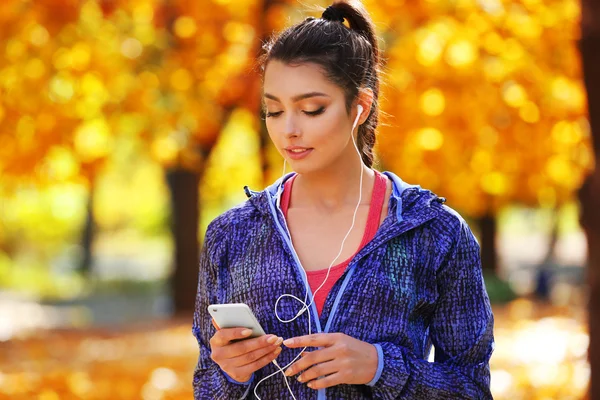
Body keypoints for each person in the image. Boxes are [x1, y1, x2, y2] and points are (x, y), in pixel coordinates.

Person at [192, 1, 495, 399]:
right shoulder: (233, 234)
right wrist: (229, 374)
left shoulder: (436, 233)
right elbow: (205, 386)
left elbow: (471, 389)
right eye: (274, 111)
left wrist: (380, 367)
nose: (290, 130)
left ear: (360, 107)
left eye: (312, 109)